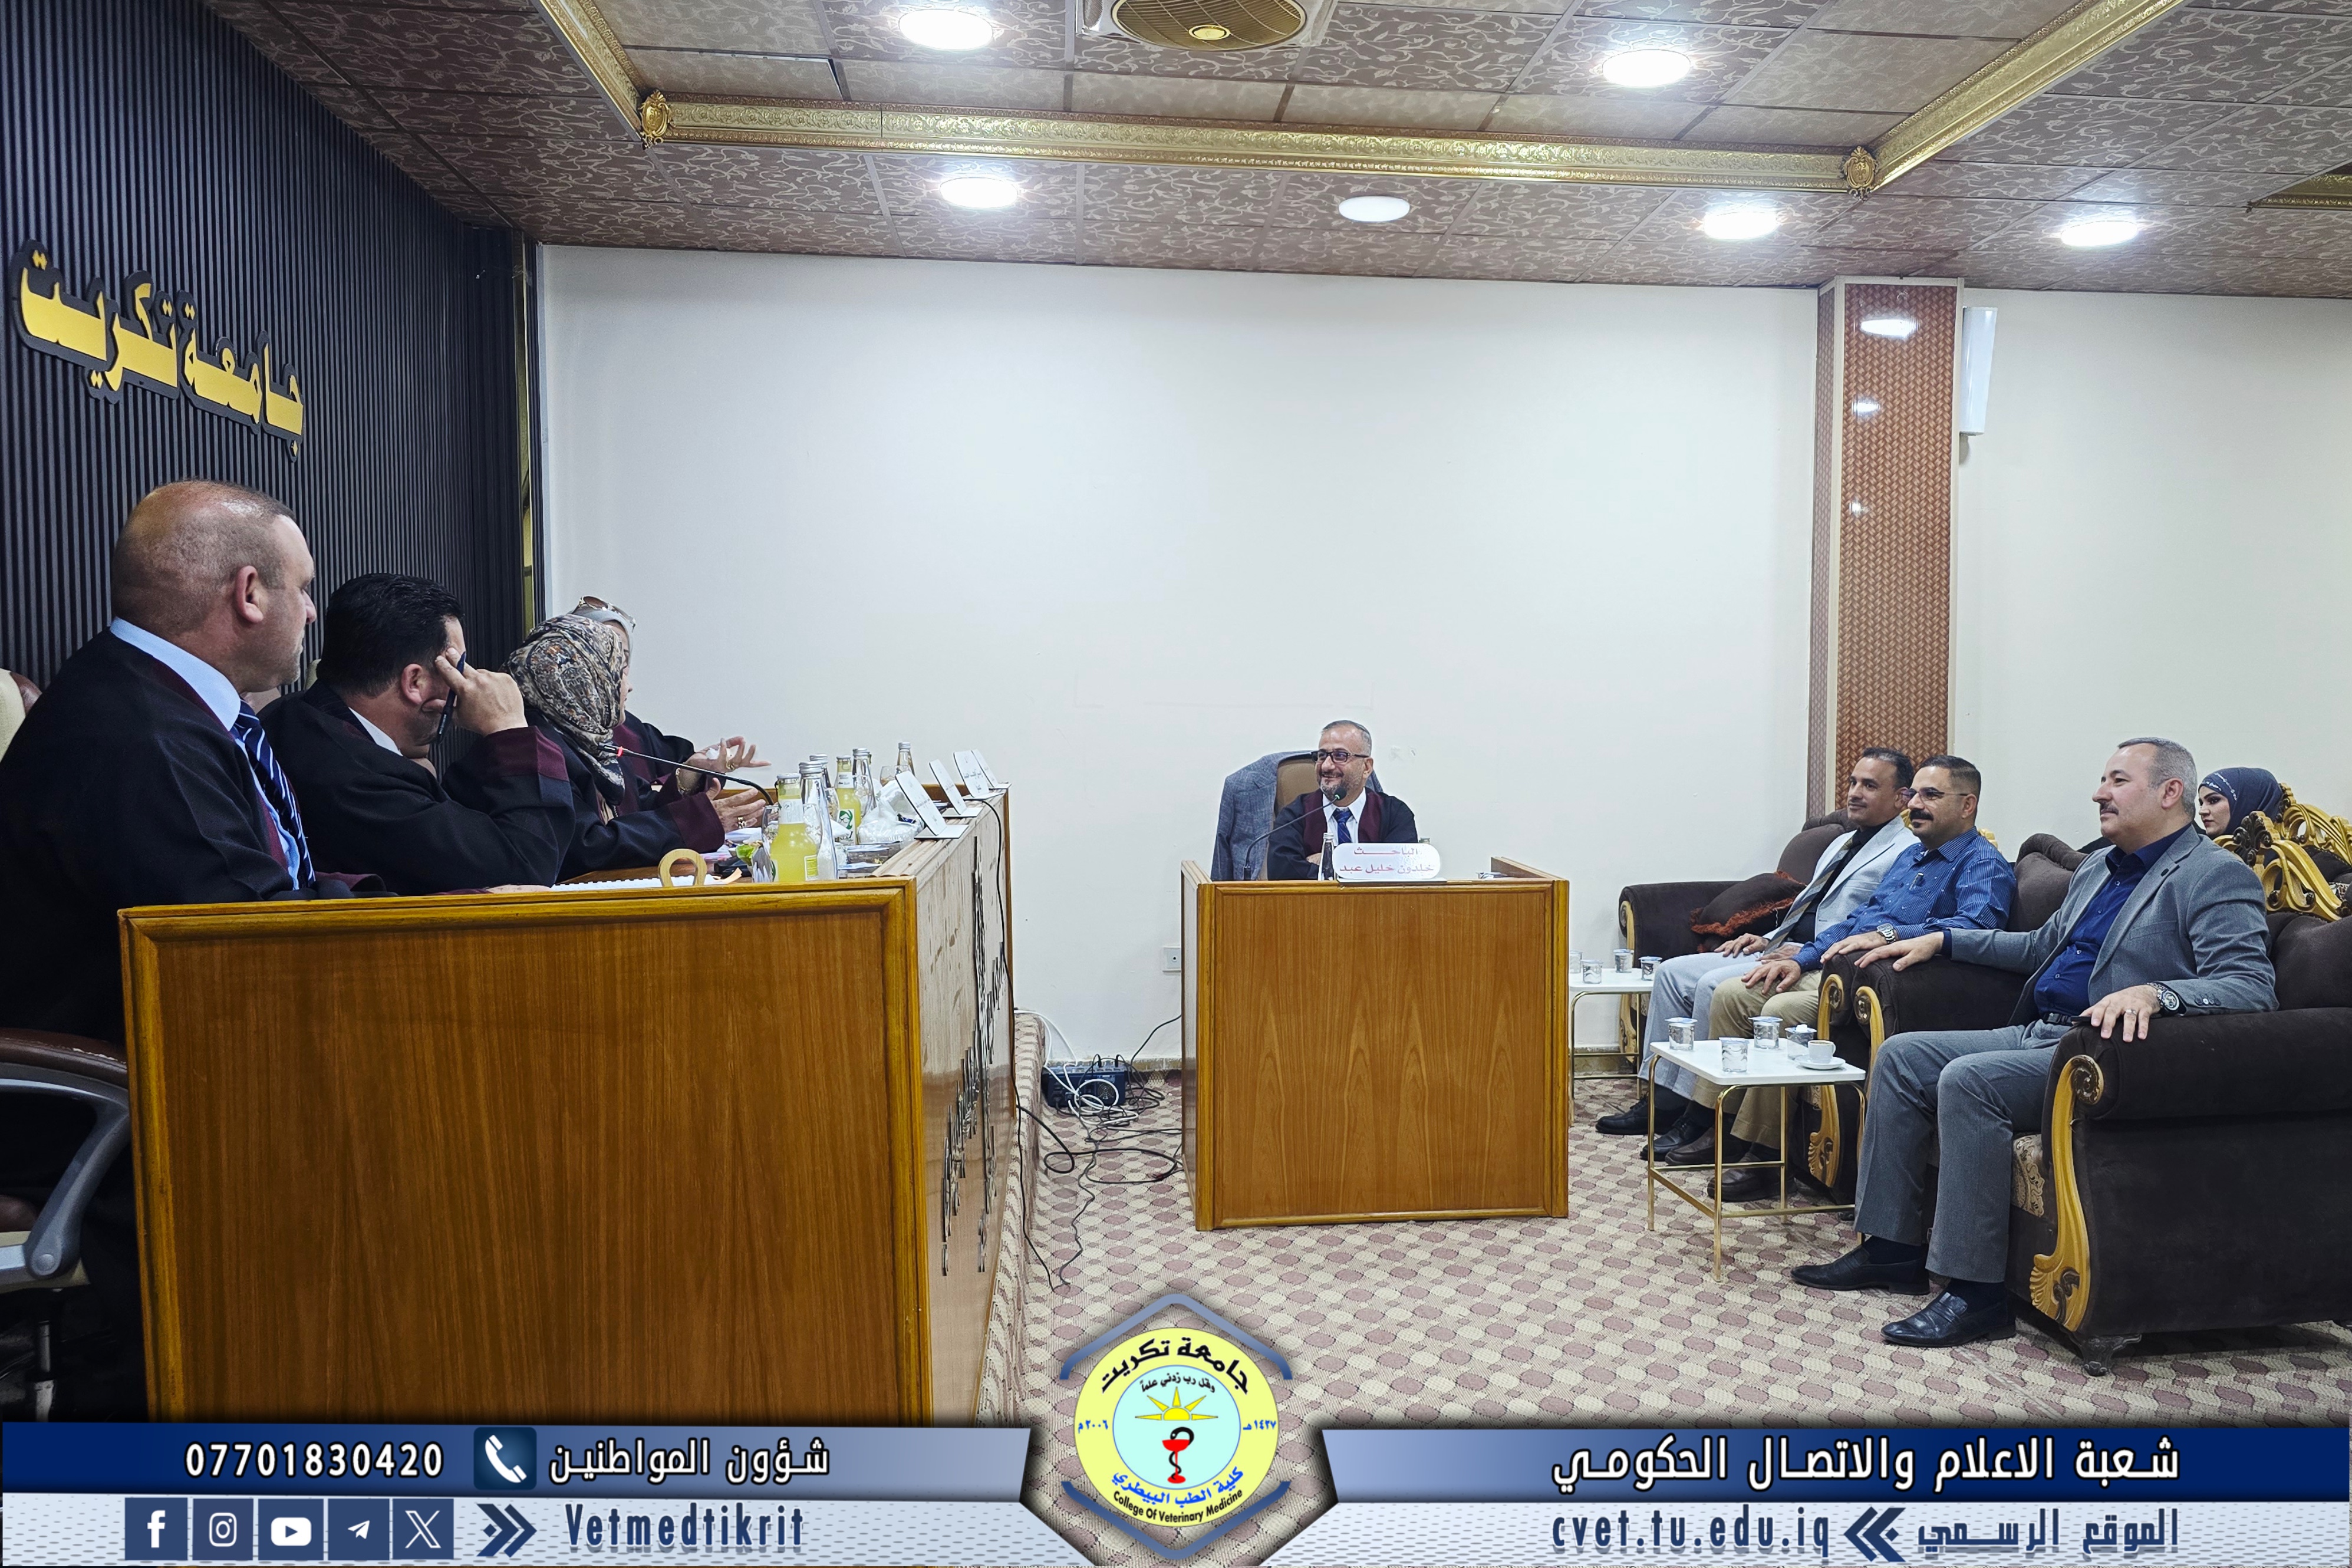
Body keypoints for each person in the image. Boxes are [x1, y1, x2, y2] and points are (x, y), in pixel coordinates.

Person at [0, 480, 374, 1399]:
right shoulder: (141, 737)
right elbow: (249, 959)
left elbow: (254, 899)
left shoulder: (159, 703)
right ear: (248, 594)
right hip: (101, 1112)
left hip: (156, 1071)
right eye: (302, 588)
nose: (311, 613)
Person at [1791, 738, 2275, 1349]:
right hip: (2039, 1028)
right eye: (2103, 779)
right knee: (1902, 1057)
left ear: (2169, 792)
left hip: (2099, 1051)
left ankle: (1976, 1293)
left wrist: (2158, 993)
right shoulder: (2100, 867)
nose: (2099, 793)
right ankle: (1890, 1249)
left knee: (1969, 1082)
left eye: (2117, 780)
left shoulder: (2215, 874)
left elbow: (2250, 985)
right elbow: (2041, 945)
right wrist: (1943, 939)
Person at [1687, 756, 2015, 1198]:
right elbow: (1858, 920)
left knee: (1779, 1011)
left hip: (1888, 984)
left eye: (1931, 796)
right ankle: (1718, 1127)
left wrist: (1892, 934)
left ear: (1967, 805)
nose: (1915, 805)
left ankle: (1765, 1155)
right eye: (1915, 794)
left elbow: (1977, 928)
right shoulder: (1912, 856)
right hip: (1842, 969)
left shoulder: (1982, 863)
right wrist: (1802, 959)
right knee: (1737, 993)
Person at [1600, 749, 1916, 1148]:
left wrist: (1802, 952)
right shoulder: (1842, 842)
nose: (1855, 792)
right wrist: (1768, 937)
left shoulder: (1905, 850)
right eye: (1853, 782)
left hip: (1817, 956)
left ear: (1902, 798)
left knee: (1713, 986)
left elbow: (1867, 922)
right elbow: (1810, 904)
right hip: (1781, 943)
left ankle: (1701, 1114)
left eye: (1870, 786)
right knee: (1670, 973)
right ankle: (1660, 1099)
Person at [262, 574, 577, 894]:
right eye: (458, 669)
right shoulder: (352, 775)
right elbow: (525, 868)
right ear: (415, 682)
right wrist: (508, 728)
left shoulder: (298, 717)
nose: (465, 685)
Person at [481, 608, 765, 879]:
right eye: (616, 673)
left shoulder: (591, 742)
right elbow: (587, 846)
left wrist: (687, 776)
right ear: (582, 681)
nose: (629, 686)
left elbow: (638, 810)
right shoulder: (536, 748)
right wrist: (697, 822)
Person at [1265, 720, 1417, 881]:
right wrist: (1368, 867)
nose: (1326, 766)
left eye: (1340, 756)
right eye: (1322, 756)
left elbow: (1402, 870)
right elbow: (1282, 873)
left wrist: (1328, 860)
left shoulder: (1395, 814)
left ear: (1366, 767)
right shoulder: (1295, 816)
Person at [2196, 766, 2284, 838]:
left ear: (2246, 803)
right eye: (2201, 804)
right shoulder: (2202, 849)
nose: (2202, 811)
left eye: (2214, 800)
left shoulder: (2281, 853)